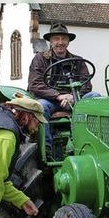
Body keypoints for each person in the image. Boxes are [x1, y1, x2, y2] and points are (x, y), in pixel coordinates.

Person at [28, 22, 100, 154]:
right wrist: (58, 95)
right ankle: (47, 150)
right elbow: (35, 84)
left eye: (63, 38)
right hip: (50, 100)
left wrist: (73, 97)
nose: (60, 42)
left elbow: (86, 83)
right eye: (56, 38)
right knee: (41, 107)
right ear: (50, 41)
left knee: (95, 98)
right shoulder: (40, 59)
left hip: (74, 98)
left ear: (68, 41)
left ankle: (95, 143)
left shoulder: (78, 60)